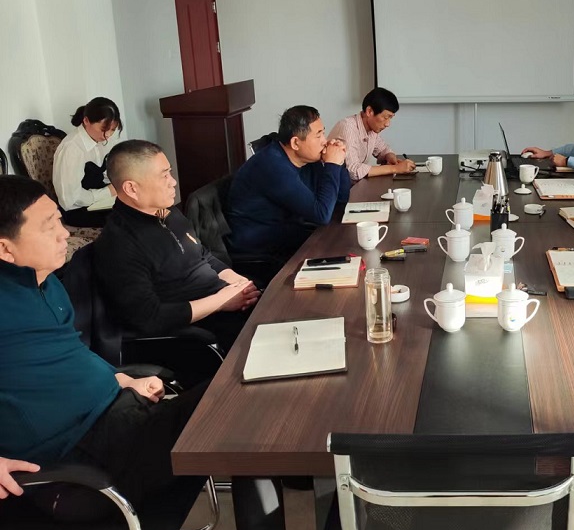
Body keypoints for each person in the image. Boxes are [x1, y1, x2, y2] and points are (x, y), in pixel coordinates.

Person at [0, 175, 308, 530]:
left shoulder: (44, 283)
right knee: (240, 406)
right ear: (5, 248)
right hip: (79, 468)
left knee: (247, 389)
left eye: (60, 220)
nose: (65, 234)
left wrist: (121, 378)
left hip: (122, 420)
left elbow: (69, 354)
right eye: (48, 227)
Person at [94, 141, 260, 354]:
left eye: (170, 172)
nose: (173, 182)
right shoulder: (119, 244)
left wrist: (238, 282)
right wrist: (222, 301)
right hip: (198, 330)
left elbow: (202, 255)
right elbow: (149, 318)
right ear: (131, 188)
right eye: (164, 176)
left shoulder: (168, 212)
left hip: (226, 299)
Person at [228, 105, 350, 278]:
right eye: (318, 135)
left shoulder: (306, 159)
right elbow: (321, 215)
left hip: (289, 235)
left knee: (347, 248)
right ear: (295, 143)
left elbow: (340, 201)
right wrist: (332, 165)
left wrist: (339, 163)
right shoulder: (272, 166)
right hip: (262, 251)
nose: (325, 141)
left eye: (323, 133)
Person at [52, 97, 123, 228]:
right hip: (78, 210)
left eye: (113, 129)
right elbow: (69, 200)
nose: (108, 135)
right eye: (103, 129)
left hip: (99, 201)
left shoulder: (101, 139)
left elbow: (105, 173)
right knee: (128, 218)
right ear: (86, 121)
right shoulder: (72, 148)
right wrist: (107, 192)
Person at [328, 87, 416, 181]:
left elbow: (383, 149)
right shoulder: (348, 127)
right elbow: (353, 171)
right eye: (386, 117)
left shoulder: (371, 129)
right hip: (336, 187)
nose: (388, 124)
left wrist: (390, 157)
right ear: (369, 111)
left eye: (390, 118)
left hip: (354, 185)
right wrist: (395, 168)